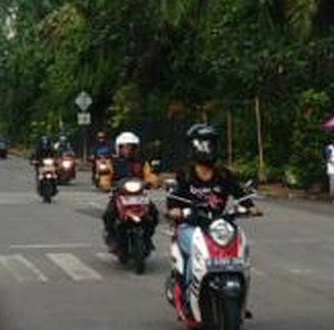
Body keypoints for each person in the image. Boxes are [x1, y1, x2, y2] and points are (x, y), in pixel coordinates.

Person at [165, 123, 259, 297]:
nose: (206, 148)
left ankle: (239, 297)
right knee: (195, 254)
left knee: (238, 252)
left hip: (219, 225)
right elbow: (173, 200)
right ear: (193, 147)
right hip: (191, 225)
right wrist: (175, 210)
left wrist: (250, 207)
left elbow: (239, 193)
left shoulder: (223, 174)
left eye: (210, 144)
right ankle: (187, 294)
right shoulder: (185, 174)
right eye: (202, 144)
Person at [102, 131, 161, 247]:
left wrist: (152, 182)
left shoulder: (142, 162)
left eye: (131, 147)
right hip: (120, 195)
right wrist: (107, 184)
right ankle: (111, 236)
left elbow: (150, 175)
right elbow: (105, 177)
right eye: (125, 147)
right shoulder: (112, 162)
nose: (128, 150)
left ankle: (147, 237)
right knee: (108, 214)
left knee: (153, 213)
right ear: (119, 148)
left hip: (139, 196)